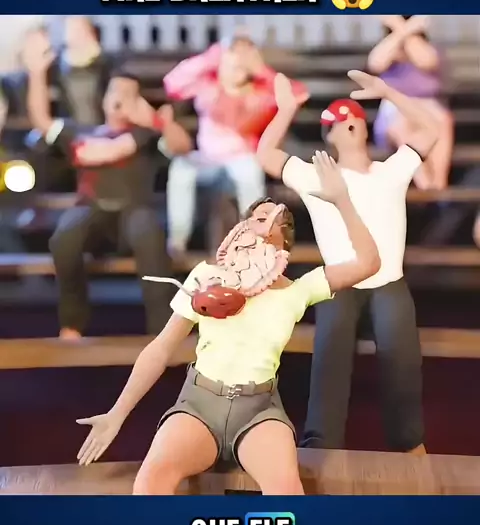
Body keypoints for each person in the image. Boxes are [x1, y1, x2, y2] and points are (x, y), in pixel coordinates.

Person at [75, 154, 380, 495]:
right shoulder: (208, 277)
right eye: (252, 218)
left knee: (285, 489)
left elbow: (368, 263)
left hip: (258, 411)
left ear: (284, 239)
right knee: (151, 480)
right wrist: (117, 413)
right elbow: (161, 347)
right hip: (198, 405)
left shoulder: (298, 290)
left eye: (267, 219)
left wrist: (342, 200)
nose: (255, 226)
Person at [257, 71, 441, 455]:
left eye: (354, 118)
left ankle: (409, 443)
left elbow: (430, 129)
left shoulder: (390, 170)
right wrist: (286, 109)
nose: (348, 122)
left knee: (403, 360)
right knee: (329, 360)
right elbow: (266, 154)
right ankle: (321, 444)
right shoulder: (316, 176)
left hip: (388, 280)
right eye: (339, 121)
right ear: (329, 136)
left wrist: (388, 91)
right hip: (339, 281)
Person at [24, 30, 192, 340]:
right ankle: (72, 324)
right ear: (103, 99)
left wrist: (158, 120)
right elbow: (42, 121)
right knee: (63, 239)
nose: (120, 99)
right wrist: (36, 74)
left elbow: (183, 147)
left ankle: (163, 332)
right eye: (115, 92)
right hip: (91, 210)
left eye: (129, 94)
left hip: (134, 212)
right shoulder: (81, 132)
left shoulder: (145, 134)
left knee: (149, 234)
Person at [163, 33, 309, 256]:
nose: (239, 60)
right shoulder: (207, 84)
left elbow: (299, 95)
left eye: (246, 54)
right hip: (207, 162)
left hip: (243, 160)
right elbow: (172, 83)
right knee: (181, 169)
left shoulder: (261, 91)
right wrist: (212, 56)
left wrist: (261, 70)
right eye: (234, 53)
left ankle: (255, 240)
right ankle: (177, 241)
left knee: (249, 171)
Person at [368, 15, 453, 190]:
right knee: (403, 124)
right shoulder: (388, 46)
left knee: (443, 119)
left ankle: (439, 183)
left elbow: (426, 61)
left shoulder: (427, 48)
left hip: (427, 106)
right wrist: (404, 28)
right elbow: (376, 64)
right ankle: (425, 184)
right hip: (395, 107)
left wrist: (400, 26)